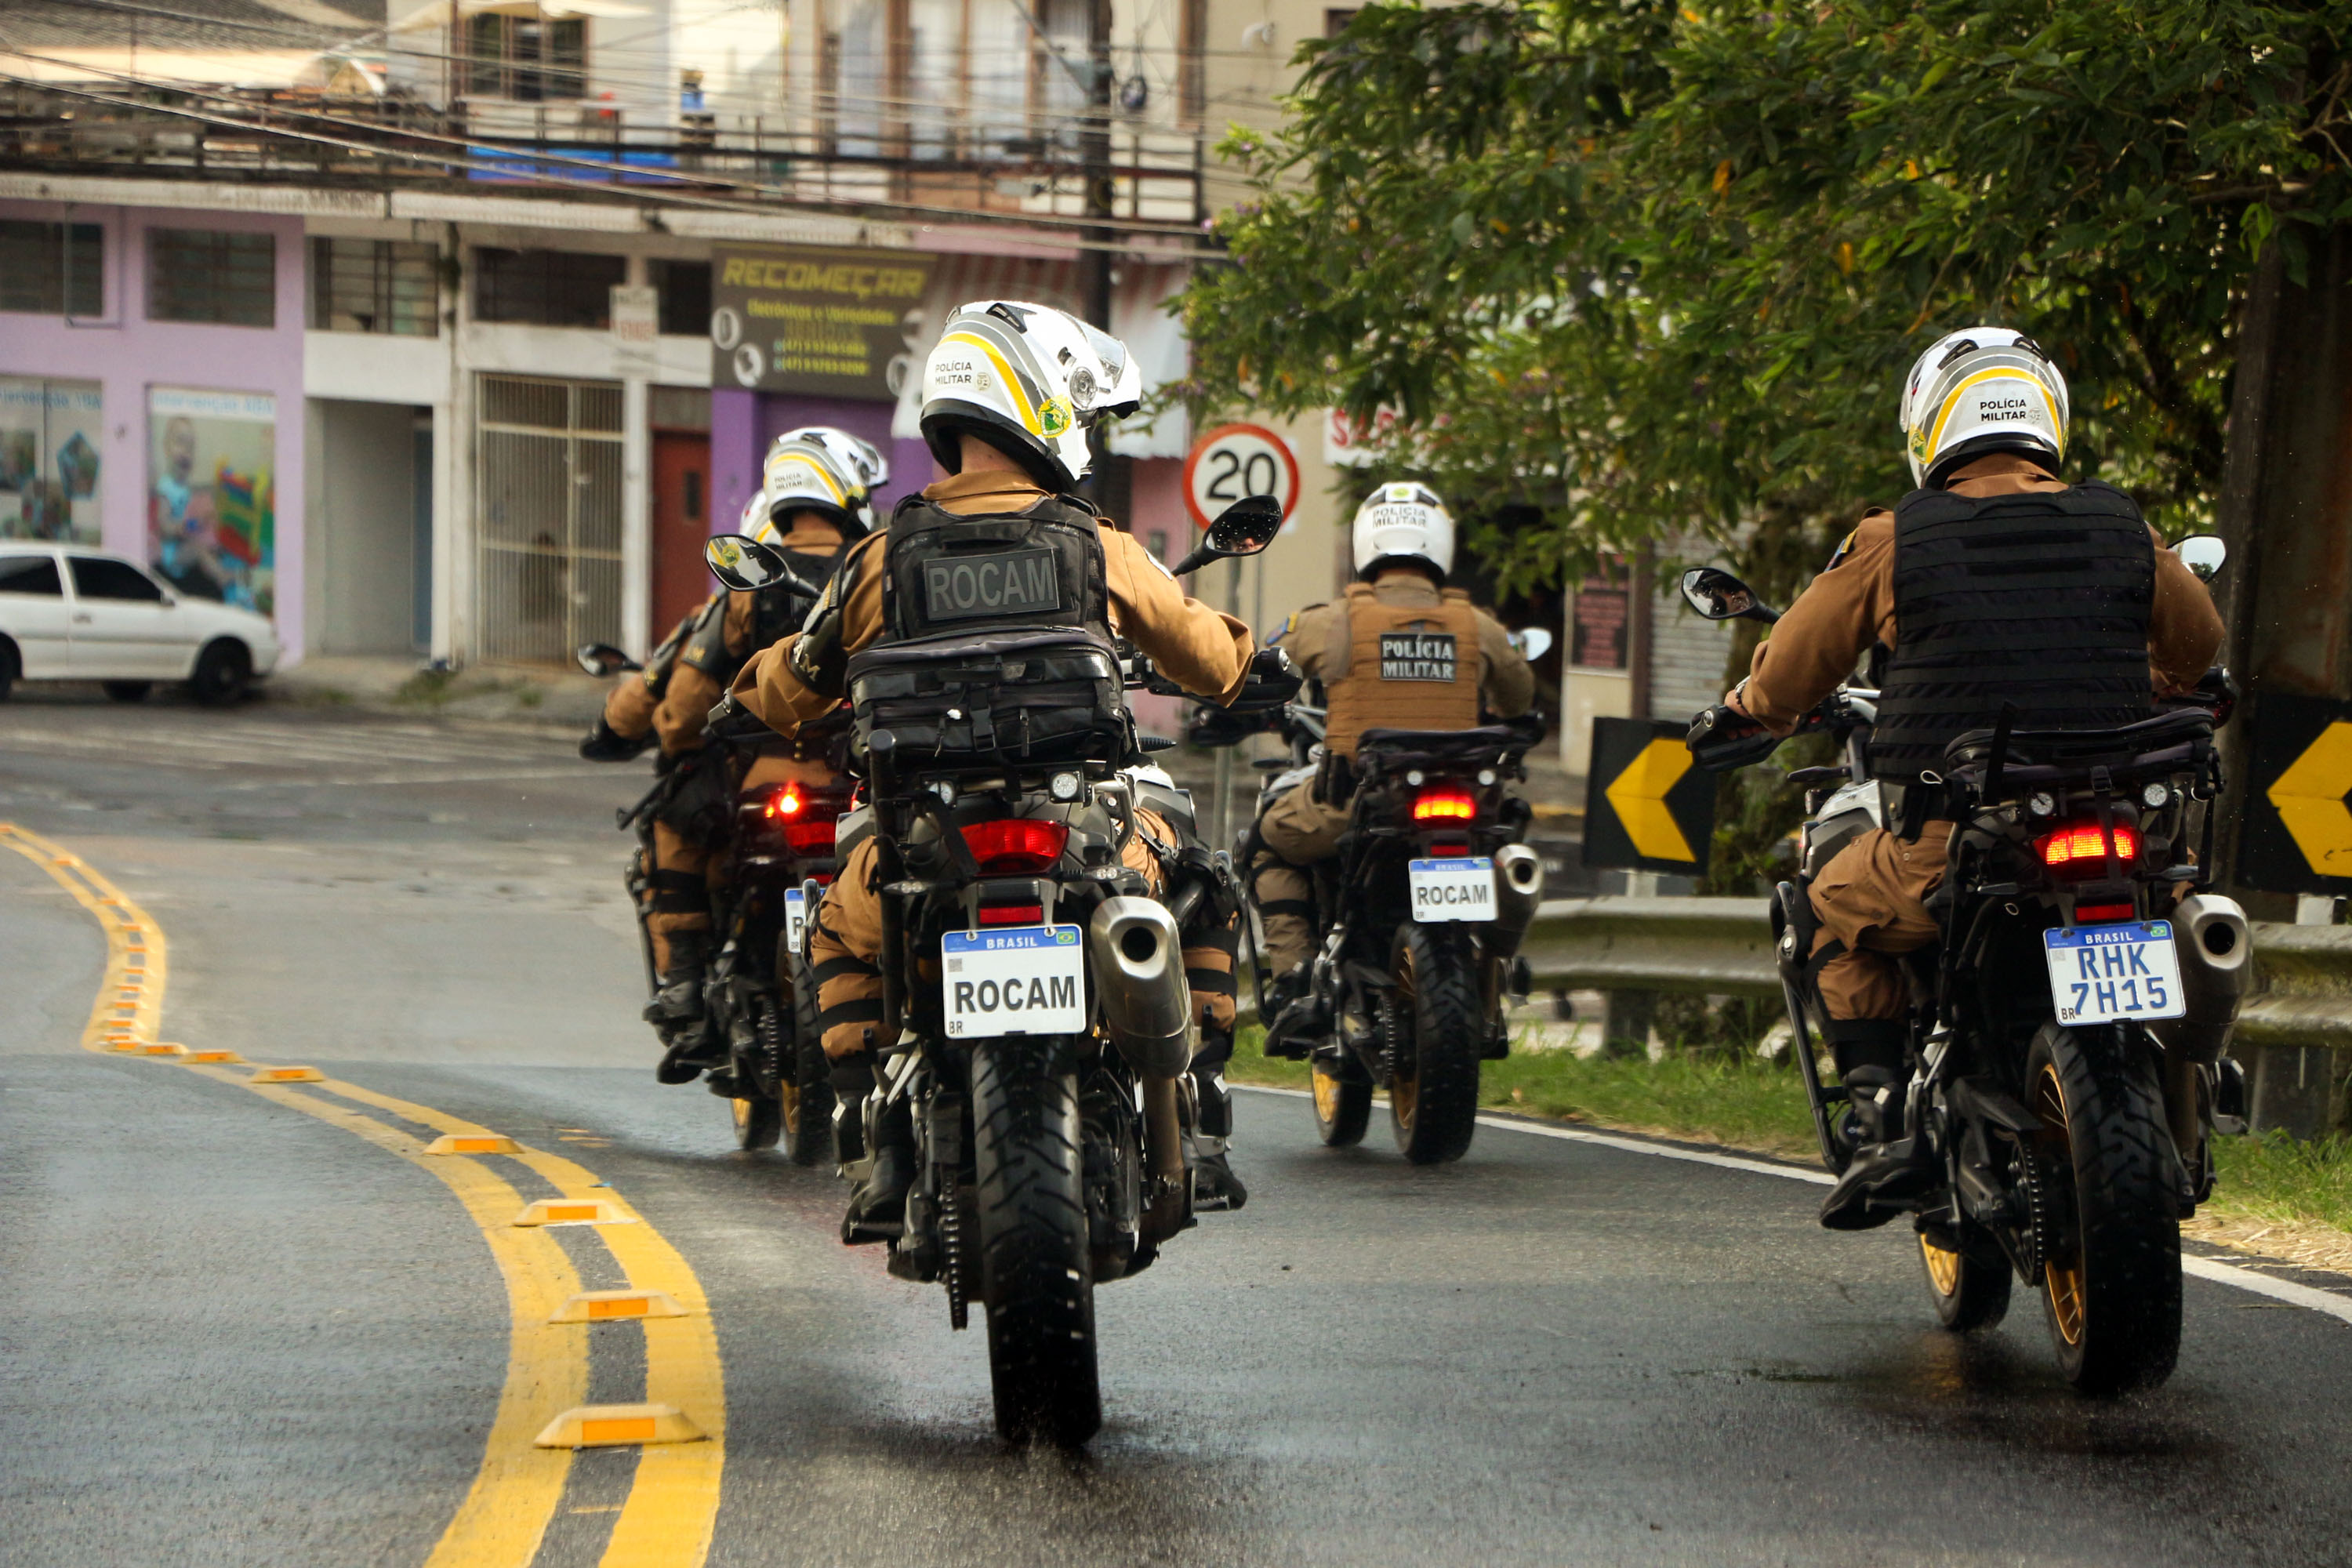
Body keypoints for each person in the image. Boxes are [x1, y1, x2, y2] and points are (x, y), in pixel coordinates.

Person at [722, 299, 1259, 1229]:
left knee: (831, 927)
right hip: (1084, 838)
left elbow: (794, 683)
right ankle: (1199, 1119)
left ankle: (870, 1134)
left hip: (924, 845)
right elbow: (1210, 657)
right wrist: (1260, 662)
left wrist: (747, 689)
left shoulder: (879, 560)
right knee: (1204, 879)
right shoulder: (1096, 543)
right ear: (1046, 406)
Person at [1713, 327, 2225, 1229]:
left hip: (1963, 848)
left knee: (1821, 889)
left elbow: (1792, 674)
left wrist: (1750, 706)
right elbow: (2198, 646)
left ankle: (1876, 1114)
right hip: (2122, 831)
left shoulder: (1892, 538)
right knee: (2173, 896)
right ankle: (2192, 1102)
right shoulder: (2122, 523)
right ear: (2047, 418)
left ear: (1929, 426)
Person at [579, 428, 887, 1081]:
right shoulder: (877, 569)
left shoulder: (747, 587)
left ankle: (686, 990)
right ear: (847, 492)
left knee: (674, 826)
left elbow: (687, 705)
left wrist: (683, 747)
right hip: (867, 775)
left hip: (767, 776)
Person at [1250, 481, 1535, 1050]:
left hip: (1360, 807)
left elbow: (1261, 661)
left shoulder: (1332, 622)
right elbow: (1520, 699)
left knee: (1266, 840)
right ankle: (1494, 982)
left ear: (1365, 544)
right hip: (1463, 808)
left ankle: (1295, 979)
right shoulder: (1478, 626)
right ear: (1442, 546)